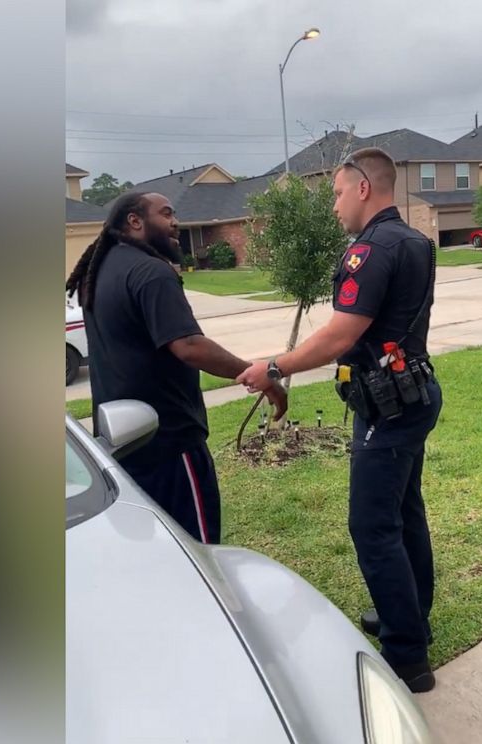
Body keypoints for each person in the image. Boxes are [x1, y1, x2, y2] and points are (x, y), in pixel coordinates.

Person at [237, 148, 442, 692]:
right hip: (411, 391)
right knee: (404, 511)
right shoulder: (417, 242)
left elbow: (339, 336)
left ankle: (407, 658)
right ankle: (412, 620)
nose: (333, 206)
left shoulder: (371, 250)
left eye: (335, 193)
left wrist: (273, 366)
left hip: (388, 405)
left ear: (363, 189)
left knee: (372, 527)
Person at [67, 191, 287, 544]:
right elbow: (188, 346)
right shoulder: (151, 273)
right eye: (166, 214)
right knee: (197, 549)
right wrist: (260, 376)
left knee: (158, 551)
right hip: (169, 443)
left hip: (125, 444)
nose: (175, 222)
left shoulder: (104, 269)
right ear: (135, 221)